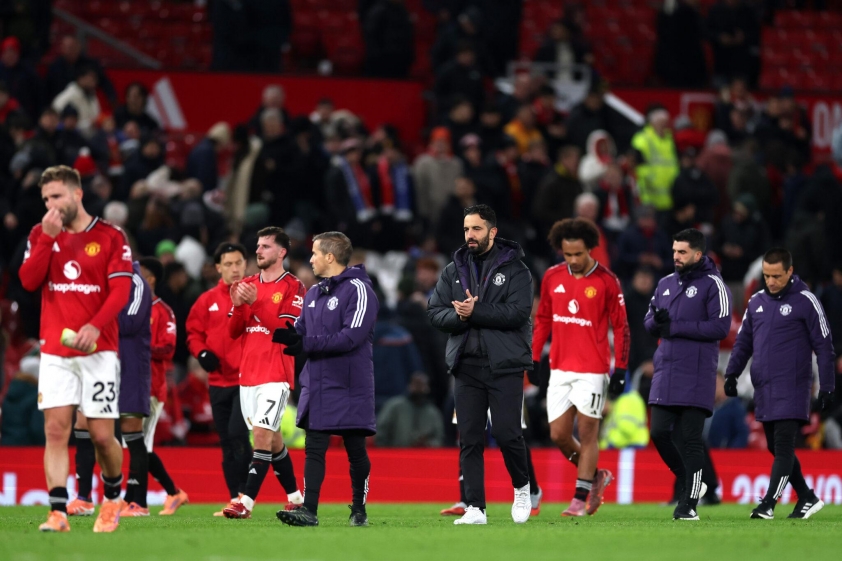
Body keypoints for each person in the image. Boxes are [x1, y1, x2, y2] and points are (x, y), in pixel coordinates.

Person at [19, 165, 133, 532]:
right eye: (46, 199)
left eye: (56, 196)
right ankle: (57, 511)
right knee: (55, 431)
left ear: (77, 194)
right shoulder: (40, 233)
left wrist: (94, 325)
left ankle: (112, 497)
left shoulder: (111, 236)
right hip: (55, 352)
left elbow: (121, 291)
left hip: (100, 351)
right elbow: (28, 281)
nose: (50, 205)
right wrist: (46, 240)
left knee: (101, 435)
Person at [426, 204, 533, 525]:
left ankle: (522, 488)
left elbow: (518, 313)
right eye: (466, 229)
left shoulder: (517, 270)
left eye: (476, 229)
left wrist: (476, 311)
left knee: (507, 434)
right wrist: (459, 316)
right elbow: (434, 312)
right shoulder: (452, 270)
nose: (469, 235)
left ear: (492, 232)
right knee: (469, 438)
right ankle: (475, 507)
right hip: (466, 365)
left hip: (505, 365)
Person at [274, 232, 379, 528]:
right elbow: (301, 331)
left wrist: (305, 344)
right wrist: (290, 336)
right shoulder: (313, 294)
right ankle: (309, 510)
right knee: (314, 447)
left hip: (350, 384)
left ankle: (359, 508)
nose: (310, 259)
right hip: (318, 382)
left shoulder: (359, 290)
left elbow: (350, 338)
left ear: (330, 257)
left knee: (355, 450)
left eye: (315, 253)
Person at [725, 248, 835, 519]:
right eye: (766, 276)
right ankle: (807, 497)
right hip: (764, 387)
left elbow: (824, 346)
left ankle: (768, 504)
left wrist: (827, 386)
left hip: (793, 386)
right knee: (775, 447)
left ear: (790, 272)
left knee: (783, 447)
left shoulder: (806, 301)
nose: (771, 282)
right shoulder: (756, 302)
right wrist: (731, 374)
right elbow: (743, 343)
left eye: (776, 276)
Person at [533, 218, 630, 516]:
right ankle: (596, 476)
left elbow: (621, 327)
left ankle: (579, 498)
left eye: (578, 254)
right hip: (560, 368)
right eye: (568, 254)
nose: (573, 260)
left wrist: (620, 368)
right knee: (559, 435)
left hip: (593, 370)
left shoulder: (607, 281)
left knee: (588, 434)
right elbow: (543, 319)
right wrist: (533, 358)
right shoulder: (552, 277)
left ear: (590, 249)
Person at [644, 228, 732, 520]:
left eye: (682, 252)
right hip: (667, 368)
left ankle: (689, 504)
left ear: (698, 254)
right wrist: (657, 323)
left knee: (691, 438)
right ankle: (690, 481)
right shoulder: (666, 283)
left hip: (696, 372)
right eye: (674, 251)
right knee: (658, 432)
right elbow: (648, 321)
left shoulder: (714, 285)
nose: (676, 256)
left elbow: (720, 327)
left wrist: (674, 327)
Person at [222, 227, 305, 519]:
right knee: (273, 441)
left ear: (282, 252)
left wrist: (254, 302)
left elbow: (286, 331)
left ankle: (244, 503)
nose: (258, 251)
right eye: (258, 246)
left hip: (276, 374)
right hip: (248, 376)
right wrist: (238, 306)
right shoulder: (246, 285)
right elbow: (233, 332)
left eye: (266, 246)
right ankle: (296, 498)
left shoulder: (293, 286)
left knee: (260, 436)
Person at [67, 261, 153, 517]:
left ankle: (137, 502)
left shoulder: (136, 282)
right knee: (83, 423)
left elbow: (129, 322)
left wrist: (96, 319)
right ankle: (83, 498)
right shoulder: (95, 280)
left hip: (130, 366)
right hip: (97, 363)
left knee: (131, 430)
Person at [186, 242, 251, 516]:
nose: (234, 269)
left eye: (238, 263)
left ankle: (246, 496)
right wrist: (201, 352)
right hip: (217, 381)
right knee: (226, 441)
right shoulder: (206, 300)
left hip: (246, 380)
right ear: (218, 268)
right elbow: (193, 333)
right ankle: (235, 499)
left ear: (245, 264)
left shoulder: (253, 295)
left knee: (237, 434)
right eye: (228, 264)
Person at [137, 257, 190, 515]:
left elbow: (168, 349)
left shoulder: (163, 311)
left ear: (151, 279)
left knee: (140, 445)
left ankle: (139, 501)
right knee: (135, 444)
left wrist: (140, 347)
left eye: (139, 274)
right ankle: (169, 493)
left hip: (152, 387)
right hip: (129, 386)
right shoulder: (129, 308)